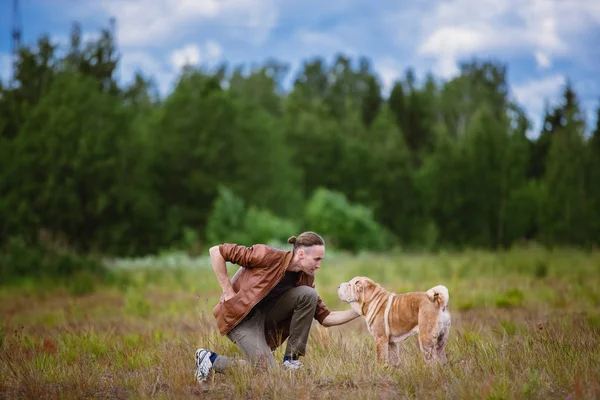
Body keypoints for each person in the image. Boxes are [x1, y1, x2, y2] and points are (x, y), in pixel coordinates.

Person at [194, 231, 360, 382]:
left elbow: (325, 317)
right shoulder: (267, 256)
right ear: (301, 254)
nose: (318, 265)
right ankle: (210, 359)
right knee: (268, 373)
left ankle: (291, 360)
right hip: (241, 320)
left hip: (268, 320)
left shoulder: (306, 278)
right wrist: (228, 291)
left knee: (309, 294)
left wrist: (360, 310)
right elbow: (216, 251)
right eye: (317, 259)